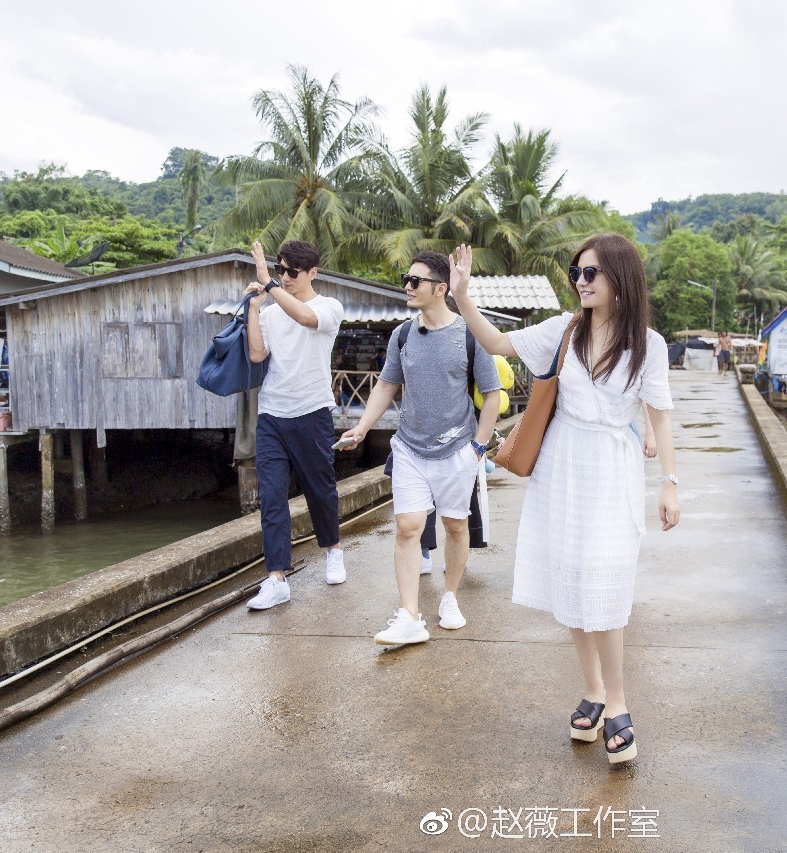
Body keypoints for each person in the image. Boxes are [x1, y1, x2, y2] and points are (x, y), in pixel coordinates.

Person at [448, 234, 680, 766]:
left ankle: (618, 703)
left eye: (592, 273)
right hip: (562, 465)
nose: (581, 280)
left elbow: (660, 414)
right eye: (577, 271)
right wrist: (463, 298)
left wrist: (670, 481)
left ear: (620, 279)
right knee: (573, 577)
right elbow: (498, 344)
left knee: (606, 579)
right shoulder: (564, 330)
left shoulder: (650, 344)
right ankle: (594, 690)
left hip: (611, 468)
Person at [340, 250, 502, 646]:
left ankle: (449, 596)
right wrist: (361, 428)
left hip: (457, 450)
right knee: (408, 527)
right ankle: (410, 616)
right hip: (410, 447)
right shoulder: (402, 334)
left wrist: (477, 448)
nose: (407, 286)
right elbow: (385, 385)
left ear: (441, 289)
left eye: (415, 281)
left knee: (455, 525)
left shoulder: (469, 335)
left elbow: (492, 394)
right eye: (405, 279)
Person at [242, 241, 347, 611]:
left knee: (320, 489)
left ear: (312, 273)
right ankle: (276, 578)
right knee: (271, 497)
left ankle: (333, 549)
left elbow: (304, 318)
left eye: (292, 272)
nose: (285, 278)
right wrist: (255, 309)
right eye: (280, 269)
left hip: (312, 411)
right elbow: (257, 354)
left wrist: (267, 284)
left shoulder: (328, 307)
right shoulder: (272, 312)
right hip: (272, 413)